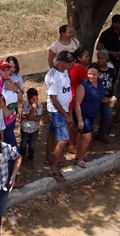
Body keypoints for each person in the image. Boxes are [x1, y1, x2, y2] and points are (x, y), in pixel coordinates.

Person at [45, 50, 75, 182]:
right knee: (64, 139)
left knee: (52, 132)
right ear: (60, 62)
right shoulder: (53, 76)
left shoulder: (65, 71)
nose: (70, 64)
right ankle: (54, 168)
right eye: (68, 63)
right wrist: (66, 115)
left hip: (63, 108)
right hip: (57, 111)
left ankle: (49, 157)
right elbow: (53, 99)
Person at [0, 60, 23, 177]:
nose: (6, 73)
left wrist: (16, 89)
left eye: (7, 70)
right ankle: (10, 177)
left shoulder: (10, 80)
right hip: (4, 125)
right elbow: (4, 113)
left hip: (11, 121)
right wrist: (15, 106)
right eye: (3, 70)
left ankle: (9, 176)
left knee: (7, 151)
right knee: (14, 152)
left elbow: (21, 98)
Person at [74, 64, 105, 168]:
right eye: (89, 74)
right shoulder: (83, 86)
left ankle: (79, 154)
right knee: (87, 138)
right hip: (84, 115)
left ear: (99, 74)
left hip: (93, 114)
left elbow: (99, 97)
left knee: (81, 135)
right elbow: (77, 104)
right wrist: (80, 120)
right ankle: (80, 158)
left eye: (94, 74)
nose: (91, 76)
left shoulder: (100, 83)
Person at [68, 47, 90, 153]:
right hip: (76, 97)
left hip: (72, 95)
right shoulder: (80, 69)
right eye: (86, 56)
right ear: (79, 58)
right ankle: (72, 145)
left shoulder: (72, 65)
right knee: (75, 124)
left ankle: (71, 143)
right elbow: (87, 82)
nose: (88, 58)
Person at [95, 49, 116, 144]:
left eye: (103, 58)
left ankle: (101, 135)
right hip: (96, 97)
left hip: (108, 97)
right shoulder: (94, 68)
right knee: (93, 116)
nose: (100, 60)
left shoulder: (111, 67)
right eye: (98, 58)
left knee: (108, 116)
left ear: (107, 58)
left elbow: (113, 80)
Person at [20, 88, 43, 161]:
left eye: (36, 99)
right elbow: (26, 117)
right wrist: (33, 111)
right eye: (33, 99)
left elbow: (38, 118)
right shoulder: (26, 105)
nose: (35, 101)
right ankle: (22, 155)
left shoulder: (39, 106)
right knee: (24, 143)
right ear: (28, 99)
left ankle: (30, 157)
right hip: (25, 128)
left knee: (32, 143)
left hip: (34, 128)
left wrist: (28, 116)